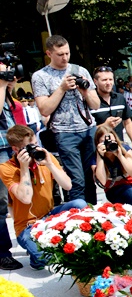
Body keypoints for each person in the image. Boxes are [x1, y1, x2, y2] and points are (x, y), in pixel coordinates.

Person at [0, 125, 86, 270]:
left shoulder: (45, 157)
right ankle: (36, 256)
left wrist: (50, 164)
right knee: (45, 258)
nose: (34, 149)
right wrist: (24, 168)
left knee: (80, 204)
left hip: (49, 216)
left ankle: (61, 241)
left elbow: (67, 186)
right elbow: (25, 199)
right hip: (27, 227)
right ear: (15, 149)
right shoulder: (6, 168)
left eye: (35, 144)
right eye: (29, 147)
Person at [31, 35, 101, 204]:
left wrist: (84, 92)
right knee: (76, 180)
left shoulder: (80, 70)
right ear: (49, 53)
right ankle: (78, 218)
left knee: (90, 178)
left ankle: (94, 215)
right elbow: (44, 109)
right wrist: (61, 88)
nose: (65, 58)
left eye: (67, 53)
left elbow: (96, 105)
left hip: (87, 129)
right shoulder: (40, 76)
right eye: (60, 54)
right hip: (64, 133)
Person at [0, 66, 24, 270]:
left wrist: (7, 84)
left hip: (12, 146)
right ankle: (2, 253)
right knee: (1, 204)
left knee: (24, 193)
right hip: (0, 149)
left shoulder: (6, 93)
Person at [91, 66, 132, 157]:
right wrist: (104, 126)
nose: (108, 83)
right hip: (98, 151)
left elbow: (127, 122)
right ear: (95, 82)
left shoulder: (120, 98)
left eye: (110, 79)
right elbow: (86, 131)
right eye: (104, 80)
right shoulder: (90, 102)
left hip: (118, 148)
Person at [93, 125, 132, 206]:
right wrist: (100, 156)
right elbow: (102, 182)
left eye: (111, 141)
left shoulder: (124, 149)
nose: (108, 144)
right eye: (104, 142)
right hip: (114, 189)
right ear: (97, 143)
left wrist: (120, 155)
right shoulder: (95, 156)